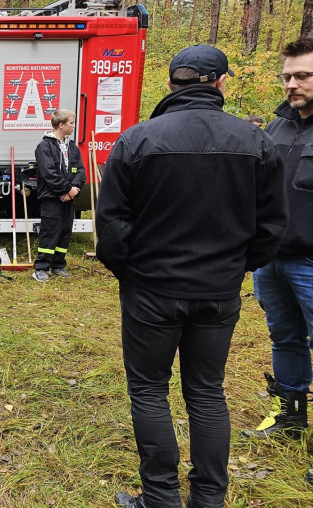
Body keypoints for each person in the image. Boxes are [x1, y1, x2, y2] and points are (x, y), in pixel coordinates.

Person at [95, 44, 287, 508]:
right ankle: (208, 499)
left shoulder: (137, 140)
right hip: (216, 292)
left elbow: (112, 225)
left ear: (169, 84)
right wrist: (234, 268)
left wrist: (132, 273)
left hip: (152, 290)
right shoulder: (257, 142)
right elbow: (271, 226)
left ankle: (161, 498)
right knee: (205, 392)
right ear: (221, 84)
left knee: (148, 389)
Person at [242, 36, 313, 485]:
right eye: (287, 76)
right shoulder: (277, 128)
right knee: (285, 338)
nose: (292, 84)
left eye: (303, 75)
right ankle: (290, 414)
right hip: (273, 261)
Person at [31, 109, 86, 282]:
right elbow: (49, 173)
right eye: (71, 123)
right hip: (51, 198)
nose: (74, 126)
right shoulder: (44, 147)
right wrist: (65, 190)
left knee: (65, 232)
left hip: (68, 198)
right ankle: (40, 268)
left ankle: (58, 266)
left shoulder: (72, 147)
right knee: (50, 232)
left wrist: (74, 189)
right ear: (61, 125)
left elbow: (81, 172)